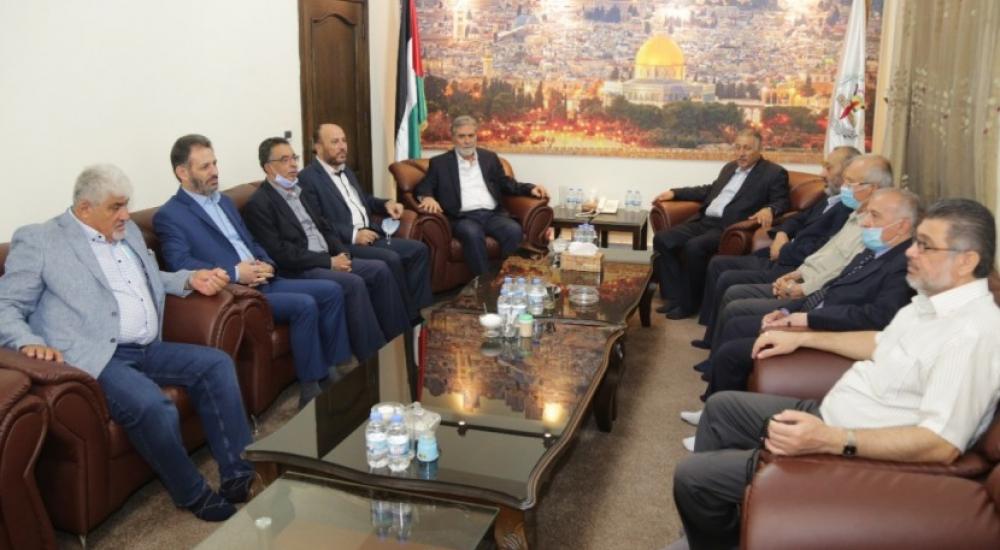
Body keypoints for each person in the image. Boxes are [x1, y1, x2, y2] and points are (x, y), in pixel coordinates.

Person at [669, 198, 1000, 550]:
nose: (910, 252)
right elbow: (879, 342)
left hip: (852, 444)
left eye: (925, 246)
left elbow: (941, 443)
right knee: (722, 409)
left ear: (966, 261)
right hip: (835, 414)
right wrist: (804, 338)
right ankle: (712, 532)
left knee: (693, 478)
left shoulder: (973, 335)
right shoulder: (930, 304)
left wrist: (831, 439)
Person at [0, 164, 255, 522]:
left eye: (126, 205)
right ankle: (193, 493)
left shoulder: (127, 230)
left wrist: (188, 279)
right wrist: (27, 341)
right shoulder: (41, 240)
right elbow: (7, 304)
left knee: (216, 364)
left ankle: (238, 473)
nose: (125, 214)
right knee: (153, 406)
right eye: (116, 207)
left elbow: (149, 278)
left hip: (148, 347)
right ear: (85, 208)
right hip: (98, 357)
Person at [678, 188, 920, 444]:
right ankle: (711, 414)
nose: (865, 222)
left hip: (831, 331)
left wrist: (807, 320)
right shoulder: (875, 251)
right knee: (737, 325)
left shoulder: (903, 264)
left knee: (732, 352)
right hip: (811, 314)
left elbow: (877, 317)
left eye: (875, 215)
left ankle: (715, 430)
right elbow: (831, 288)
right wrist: (786, 311)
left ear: (902, 225)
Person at [153, 134, 351, 407]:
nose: (215, 171)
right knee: (304, 304)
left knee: (332, 290)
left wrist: (267, 262)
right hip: (236, 292)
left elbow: (252, 241)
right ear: (182, 173)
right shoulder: (170, 216)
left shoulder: (224, 202)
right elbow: (180, 265)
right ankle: (311, 387)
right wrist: (235, 273)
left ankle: (334, 368)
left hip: (264, 278)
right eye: (205, 167)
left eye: (215, 163)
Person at [701, 154, 894, 349]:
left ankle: (719, 351)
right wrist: (788, 251)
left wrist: (799, 282)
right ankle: (712, 344)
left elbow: (840, 270)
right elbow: (815, 236)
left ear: (872, 188)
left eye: (850, 181)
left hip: (806, 283)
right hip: (799, 271)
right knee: (725, 274)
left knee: (735, 302)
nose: (823, 174)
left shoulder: (871, 228)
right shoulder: (850, 210)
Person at [242, 137, 410, 354]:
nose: (293, 164)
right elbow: (280, 253)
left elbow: (325, 227)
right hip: (301, 268)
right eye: (285, 160)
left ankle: (398, 343)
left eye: (294, 158)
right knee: (354, 283)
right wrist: (329, 262)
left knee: (380, 269)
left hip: (328, 257)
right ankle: (371, 355)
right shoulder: (259, 204)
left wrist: (342, 253)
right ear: (268, 167)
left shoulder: (299, 191)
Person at [299, 123, 432, 323]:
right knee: (391, 258)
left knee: (418, 250)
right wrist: (354, 234)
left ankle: (416, 310)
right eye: (335, 142)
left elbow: (364, 199)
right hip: (343, 243)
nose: (343, 146)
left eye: (344, 140)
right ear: (318, 147)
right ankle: (405, 319)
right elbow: (317, 222)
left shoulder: (346, 171)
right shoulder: (307, 178)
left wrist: (386, 204)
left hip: (371, 234)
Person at [652, 130, 789, 319]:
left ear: (759, 150)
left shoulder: (773, 173)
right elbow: (709, 190)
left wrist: (770, 209)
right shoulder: (730, 167)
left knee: (694, 247)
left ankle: (689, 304)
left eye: (747, 148)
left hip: (727, 227)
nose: (741, 153)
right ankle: (675, 297)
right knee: (662, 239)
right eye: (737, 147)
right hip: (704, 221)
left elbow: (782, 201)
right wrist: (675, 193)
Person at [414, 115, 549, 275]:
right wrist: (427, 197)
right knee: (472, 233)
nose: (467, 141)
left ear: (476, 136)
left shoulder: (489, 158)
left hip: (492, 215)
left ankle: (509, 278)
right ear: (453, 138)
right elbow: (423, 186)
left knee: (513, 230)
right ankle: (483, 282)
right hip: (462, 217)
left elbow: (505, 182)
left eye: (471, 135)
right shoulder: (440, 163)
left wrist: (530, 189)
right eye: (462, 136)